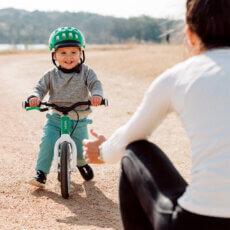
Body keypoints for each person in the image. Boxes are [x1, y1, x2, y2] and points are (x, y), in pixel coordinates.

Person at [83, 0, 230, 229]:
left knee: (135, 151)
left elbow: (128, 138)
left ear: (190, 35)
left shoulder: (178, 77)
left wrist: (101, 151)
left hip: (197, 221)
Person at [26, 26, 103, 188]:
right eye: (63, 53)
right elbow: (39, 88)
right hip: (55, 118)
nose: (69, 57)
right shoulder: (51, 74)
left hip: (79, 119)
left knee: (81, 150)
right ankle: (41, 174)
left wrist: (97, 95)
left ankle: (81, 163)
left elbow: (95, 84)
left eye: (73, 52)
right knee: (47, 142)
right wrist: (34, 98)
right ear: (54, 55)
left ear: (81, 53)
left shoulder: (86, 72)